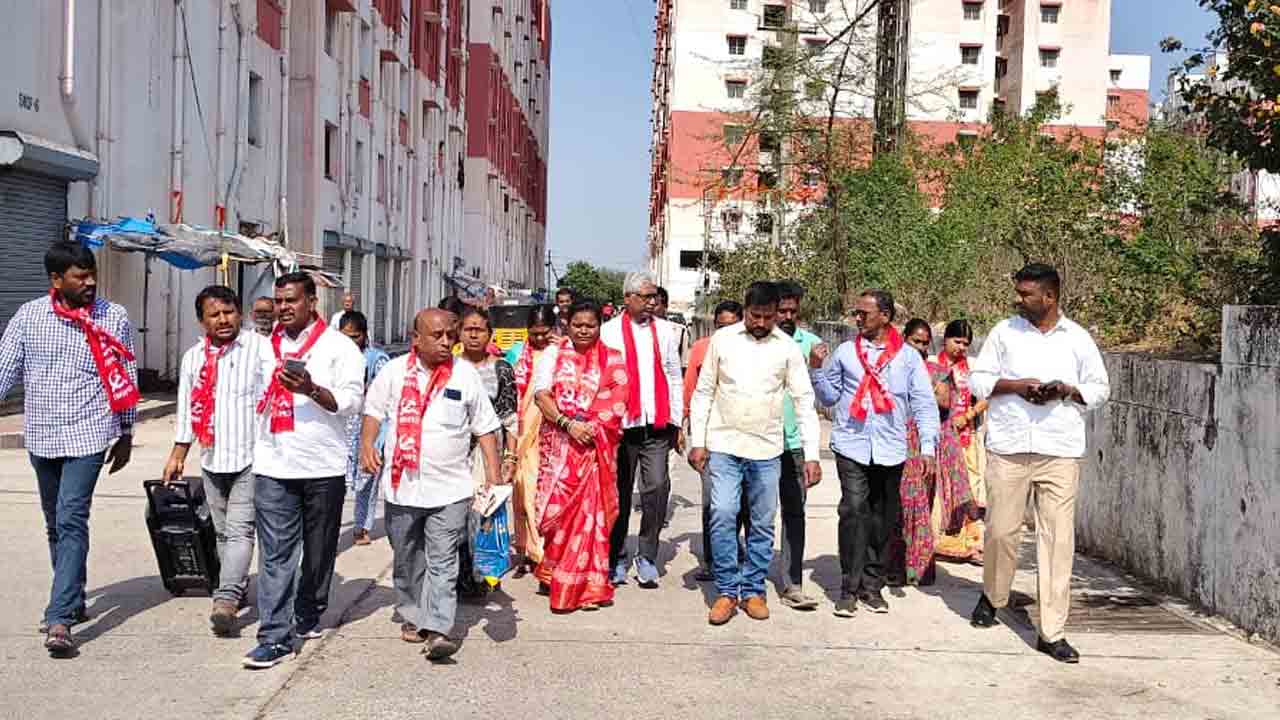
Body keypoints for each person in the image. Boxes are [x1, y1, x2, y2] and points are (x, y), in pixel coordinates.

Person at [0, 242, 138, 657]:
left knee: (72, 516)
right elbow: (4, 369)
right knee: (54, 523)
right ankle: (74, 597)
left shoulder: (113, 317)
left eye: (92, 273)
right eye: (80, 276)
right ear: (56, 280)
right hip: (42, 435)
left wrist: (126, 432)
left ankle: (59, 618)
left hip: (89, 434)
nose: (90, 282)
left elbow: (125, 373)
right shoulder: (30, 317)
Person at [969, 263, 1110, 664]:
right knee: (1001, 532)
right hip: (1009, 448)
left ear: (1049, 297)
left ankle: (1052, 632)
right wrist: (1017, 386)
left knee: (1058, 541)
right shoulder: (1003, 332)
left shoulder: (1078, 339)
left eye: (1026, 294)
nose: (1019, 299)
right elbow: (978, 381)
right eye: (1018, 293)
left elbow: (1100, 389)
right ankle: (993, 596)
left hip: (1059, 451)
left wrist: (1066, 390)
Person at [360, 309, 502, 659]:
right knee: (407, 558)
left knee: (443, 559)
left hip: (451, 489)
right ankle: (412, 613)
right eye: (436, 336)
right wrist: (367, 446)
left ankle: (439, 628)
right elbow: (373, 412)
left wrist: (494, 480)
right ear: (416, 338)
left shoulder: (465, 375)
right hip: (403, 488)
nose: (446, 342)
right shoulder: (393, 372)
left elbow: (485, 428)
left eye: (449, 336)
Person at [243, 271, 365, 670]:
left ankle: (309, 609)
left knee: (318, 551)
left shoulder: (339, 347)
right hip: (272, 464)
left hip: (322, 466)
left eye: (291, 301)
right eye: (278, 302)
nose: (283, 308)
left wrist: (311, 389)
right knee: (276, 555)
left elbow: (350, 402)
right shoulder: (260, 347)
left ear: (313, 302)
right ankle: (274, 635)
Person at [689, 282, 821, 626]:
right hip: (724, 445)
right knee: (722, 513)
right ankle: (727, 592)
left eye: (767, 317)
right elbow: (704, 392)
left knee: (762, 523)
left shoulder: (787, 347)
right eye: (754, 316)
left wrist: (811, 455)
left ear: (777, 314)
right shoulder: (723, 340)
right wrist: (697, 441)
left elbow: (805, 401)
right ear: (745, 311)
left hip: (767, 450)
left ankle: (753, 591)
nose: (760, 323)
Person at [809, 289, 939, 618]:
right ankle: (848, 588)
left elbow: (923, 403)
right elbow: (828, 397)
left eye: (864, 314)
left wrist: (926, 447)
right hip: (851, 443)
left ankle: (873, 585)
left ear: (884, 316)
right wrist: (816, 370)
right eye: (856, 313)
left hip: (891, 447)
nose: (857, 319)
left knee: (883, 518)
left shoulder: (907, 358)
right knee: (854, 510)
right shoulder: (844, 353)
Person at [164, 285, 268, 636]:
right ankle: (235, 586)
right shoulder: (194, 358)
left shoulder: (259, 348)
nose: (223, 320)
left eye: (229, 312)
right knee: (222, 533)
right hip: (212, 457)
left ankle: (225, 599)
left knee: (240, 530)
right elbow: (185, 409)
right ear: (202, 320)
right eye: (215, 314)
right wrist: (179, 453)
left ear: (240, 313)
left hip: (251, 457)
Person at [531, 300, 630, 611]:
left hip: (594, 450)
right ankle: (553, 574)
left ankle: (587, 587)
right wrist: (568, 424)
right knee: (554, 515)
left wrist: (590, 429)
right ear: (567, 325)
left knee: (592, 518)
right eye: (578, 325)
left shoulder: (613, 359)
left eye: (591, 325)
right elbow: (541, 396)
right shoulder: (553, 354)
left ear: (600, 325)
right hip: (559, 448)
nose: (584, 330)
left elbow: (617, 402)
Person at [600, 271, 684, 588]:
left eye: (653, 297)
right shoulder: (608, 333)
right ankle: (617, 556)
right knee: (619, 495)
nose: (652, 302)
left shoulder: (666, 331)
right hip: (621, 428)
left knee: (657, 488)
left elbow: (674, 376)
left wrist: (677, 421)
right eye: (645, 297)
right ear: (628, 298)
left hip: (656, 425)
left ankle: (647, 555)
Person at [454, 306, 519, 595]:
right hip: (454, 453)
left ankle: (483, 575)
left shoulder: (501, 368)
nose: (473, 335)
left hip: (487, 454)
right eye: (468, 329)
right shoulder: (451, 366)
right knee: (455, 515)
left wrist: (510, 457)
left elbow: (510, 417)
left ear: (489, 334)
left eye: (479, 329)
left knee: (484, 514)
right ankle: (458, 575)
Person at [682, 300, 743, 581]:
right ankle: (711, 559)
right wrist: (684, 424)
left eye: (731, 325)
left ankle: (734, 551)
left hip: (744, 437)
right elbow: (692, 391)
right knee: (712, 501)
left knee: (741, 502)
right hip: (709, 436)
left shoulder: (752, 351)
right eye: (720, 326)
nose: (725, 331)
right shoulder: (701, 349)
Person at [773, 280, 824, 609]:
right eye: (782, 310)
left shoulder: (813, 345)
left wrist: (816, 369)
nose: (788, 316)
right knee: (751, 513)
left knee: (794, 514)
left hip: (794, 444)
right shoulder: (754, 342)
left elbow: (818, 400)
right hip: (758, 442)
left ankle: (792, 582)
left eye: (793, 310)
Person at [931, 320, 988, 565]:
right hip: (938, 438)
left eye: (966, 343)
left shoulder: (973, 369)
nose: (961, 347)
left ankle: (972, 545)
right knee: (939, 492)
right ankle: (938, 544)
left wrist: (967, 417)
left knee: (969, 491)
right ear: (945, 340)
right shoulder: (932, 365)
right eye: (957, 341)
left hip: (966, 438)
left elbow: (986, 398)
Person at [510, 304, 559, 577]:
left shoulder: (562, 353)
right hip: (521, 436)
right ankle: (529, 549)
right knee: (523, 492)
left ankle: (542, 552)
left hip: (551, 436)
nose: (539, 339)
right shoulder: (518, 354)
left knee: (540, 495)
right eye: (534, 333)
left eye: (544, 333)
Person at [338, 311, 391, 546]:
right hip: (339, 427)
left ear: (364, 335)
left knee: (367, 480)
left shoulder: (377, 360)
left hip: (367, 426)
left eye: (355, 336)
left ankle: (362, 526)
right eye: (345, 337)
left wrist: (380, 436)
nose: (350, 342)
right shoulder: (332, 357)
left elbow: (385, 401)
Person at [897, 319, 939, 586]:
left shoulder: (935, 371)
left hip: (923, 444)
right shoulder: (894, 364)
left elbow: (944, 404)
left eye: (925, 343)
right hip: (896, 440)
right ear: (904, 339)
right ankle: (892, 567)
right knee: (897, 504)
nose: (921, 348)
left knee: (920, 503)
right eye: (916, 341)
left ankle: (918, 567)